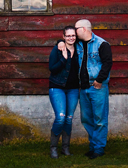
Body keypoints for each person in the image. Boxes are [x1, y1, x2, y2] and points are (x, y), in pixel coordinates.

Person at [60, 19, 112, 159]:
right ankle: (93, 146)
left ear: (83, 29)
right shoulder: (78, 44)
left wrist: (99, 80)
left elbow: (107, 63)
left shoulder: (102, 44)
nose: (74, 33)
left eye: (76, 29)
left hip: (97, 87)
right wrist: (59, 43)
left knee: (100, 119)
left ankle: (99, 149)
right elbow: (63, 42)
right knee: (87, 119)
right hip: (83, 88)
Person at [48, 25, 79, 159]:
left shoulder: (79, 49)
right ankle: (53, 148)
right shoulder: (58, 49)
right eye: (68, 36)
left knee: (68, 119)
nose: (71, 38)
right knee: (60, 117)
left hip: (73, 89)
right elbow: (52, 69)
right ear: (63, 37)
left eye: (73, 35)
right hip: (57, 87)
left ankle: (65, 148)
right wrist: (64, 58)